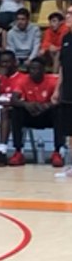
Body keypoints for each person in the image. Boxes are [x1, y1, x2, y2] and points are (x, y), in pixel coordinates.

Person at [5, 57, 61, 167]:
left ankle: (57, 152)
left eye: (37, 69)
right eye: (31, 69)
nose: (34, 72)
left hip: (47, 115)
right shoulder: (23, 80)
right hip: (30, 114)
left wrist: (47, 105)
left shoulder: (52, 81)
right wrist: (26, 104)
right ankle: (18, 152)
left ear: (43, 70)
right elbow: (13, 99)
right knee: (16, 111)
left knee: (59, 112)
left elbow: (60, 99)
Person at [56, 24, 72, 178]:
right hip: (68, 90)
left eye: (71, 14)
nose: (68, 16)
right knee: (70, 131)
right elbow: (62, 66)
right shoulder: (66, 38)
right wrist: (57, 89)